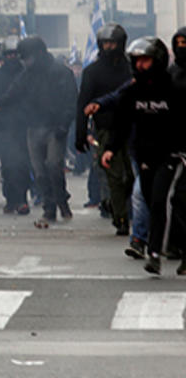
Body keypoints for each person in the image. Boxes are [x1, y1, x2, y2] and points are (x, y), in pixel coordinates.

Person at [97, 37, 186, 275]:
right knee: (150, 201)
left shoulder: (174, 89)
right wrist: (110, 149)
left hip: (172, 156)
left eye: (145, 61)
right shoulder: (132, 92)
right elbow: (121, 123)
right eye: (137, 61)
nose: (140, 66)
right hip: (145, 157)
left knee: (161, 202)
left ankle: (155, 253)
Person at [0, 36, 77, 227]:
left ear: (38, 54)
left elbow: (70, 101)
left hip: (54, 128)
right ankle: (49, 207)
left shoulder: (61, 72)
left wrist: (64, 124)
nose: (24, 62)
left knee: (53, 165)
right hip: (34, 127)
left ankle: (60, 200)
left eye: (27, 58)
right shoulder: (26, 75)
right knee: (40, 172)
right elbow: (13, 93)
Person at [74, 23, 134, 236]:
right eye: (106, 43)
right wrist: (81, 133)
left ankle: (119, 205)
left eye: (113, 43)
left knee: (132, 176)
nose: (109, 47)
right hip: (106, 129)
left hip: (133, 128)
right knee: (114, 176)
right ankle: (120, 217)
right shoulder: (92, 72)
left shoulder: (131, 68)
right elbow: (83, 103)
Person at [0, 36, 31, 215]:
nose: (12, 58)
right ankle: (11, 199)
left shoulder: (27, 74)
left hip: (23, 125)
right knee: (8, 166)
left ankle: (21, 199)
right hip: (3, 126)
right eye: (9, 55)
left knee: (23, 165)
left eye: (14, 54)